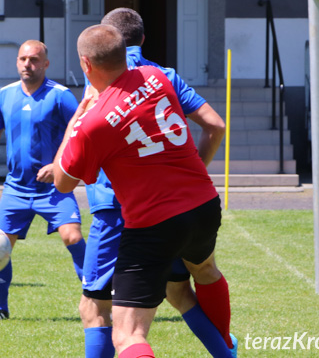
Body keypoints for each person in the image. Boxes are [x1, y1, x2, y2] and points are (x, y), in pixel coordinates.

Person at [55, 24, 232, 358]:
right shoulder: (158, 76)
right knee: (199, 276)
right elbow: (210, 123)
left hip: (153, 224)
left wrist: (76, 121)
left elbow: (63, 182)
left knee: (127, 333)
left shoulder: (94, 122)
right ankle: (226, 350)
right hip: (204, 206)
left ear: (85, 64)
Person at [0, 40, 86, 323]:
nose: (28, 64)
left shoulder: (61, 96)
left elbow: (80, 134)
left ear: (46, 64)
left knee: (72, 237)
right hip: (16, 189)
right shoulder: (6, 94)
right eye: (23, 59)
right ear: (17, 62)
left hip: (55, 188)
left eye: (34, 59)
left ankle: (97, 299)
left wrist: (58, 165)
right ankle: (0, 308)